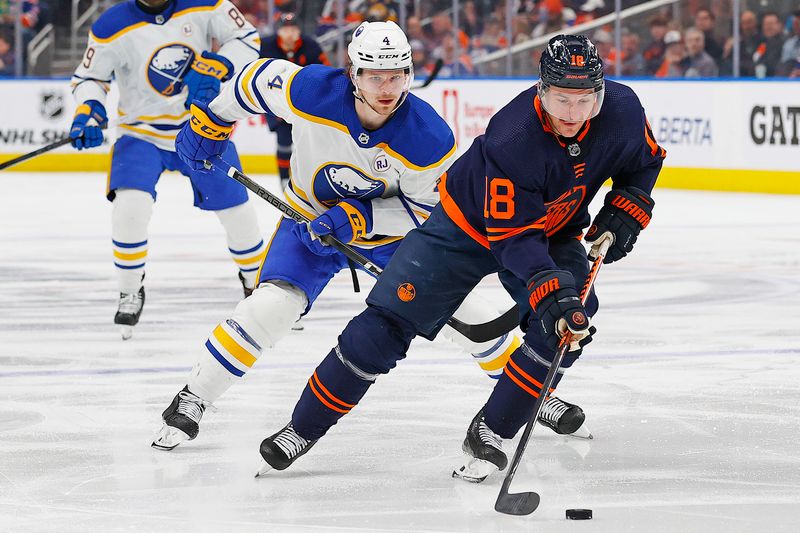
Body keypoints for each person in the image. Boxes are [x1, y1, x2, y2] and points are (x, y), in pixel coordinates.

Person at [151, 21, 589, 451]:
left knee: (471, 313)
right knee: (270, 307)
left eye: (396, 75)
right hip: (306, 223)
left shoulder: (428, 137)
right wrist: (212, 121)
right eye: (375, 75)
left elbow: (425, 211)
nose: (387, 87)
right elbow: (254, 79)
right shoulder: (309, 92)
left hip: (389, 238)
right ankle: (194, 397)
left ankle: (536, 396)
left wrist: (357, 219)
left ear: (409, 74)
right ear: (353, 73)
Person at [245, 34, 664, 481]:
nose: (573, 114)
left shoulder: (623, 110)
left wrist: (628, 206)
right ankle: (302, 428)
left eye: (585, 101)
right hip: (464, 229)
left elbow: (645, 161)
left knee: (567, 322)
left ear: (601, 93)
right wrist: (548, 286)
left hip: (554, 230)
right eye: (562, 99)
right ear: (542, 90)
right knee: (383, 327)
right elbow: (514, 240)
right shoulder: (514, 137)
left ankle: (493, 429)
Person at [69, 0, 265, 340]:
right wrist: (89, 108)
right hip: (141, 132)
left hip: (201, 126)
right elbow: (90, 77)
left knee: (238, 212)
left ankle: (258, 287)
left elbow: (247, 38)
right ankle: (130, 288)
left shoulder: (208, 4)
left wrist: (218, 64)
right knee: (130, 207)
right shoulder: (110, 25)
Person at [260, 12, 329, 186]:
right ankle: (284, 180)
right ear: (279, 31)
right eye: (285, 29)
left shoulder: (311, 45)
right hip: (275, 101)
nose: (289, 33)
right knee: (284, 141)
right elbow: (254, 73)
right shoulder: (266, 46)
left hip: (306, 102)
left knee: (308, 143)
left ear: (299, 31)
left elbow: (326, 73)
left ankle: (307, 180)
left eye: (293, 29)